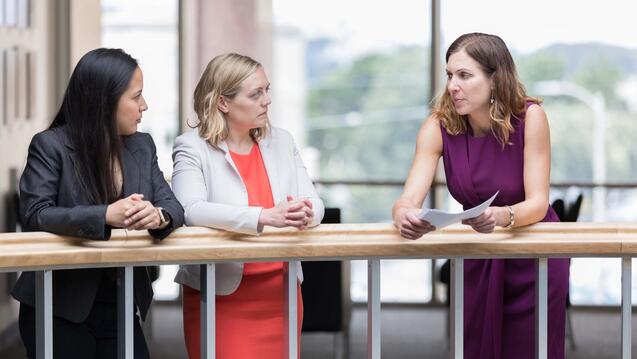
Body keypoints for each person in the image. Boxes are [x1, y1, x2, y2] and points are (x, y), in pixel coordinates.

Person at [392, 33, 569, 358]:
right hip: (478, 254)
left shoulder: (531, 118)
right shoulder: (438, 126)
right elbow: (408, 198)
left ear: (494, 78)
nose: (452, 86)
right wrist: (402, 213)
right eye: (449, 75)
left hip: (532, 257)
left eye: (464, 75)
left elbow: (538, 202)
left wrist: (501, 216)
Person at [13, 48, 185, 359]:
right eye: (136, 97)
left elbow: (173, 207)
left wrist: (156, 216)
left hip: (121, 304)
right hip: (59, 306)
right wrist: (106, 215)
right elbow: (35, 215)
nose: (144, 105)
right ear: (104, 100)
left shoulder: (142, 145)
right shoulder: (50, 145)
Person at [172, 53, 324, 359]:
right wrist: (264, 216)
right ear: (223, 103)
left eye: (267, 90)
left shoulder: (282, 140)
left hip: (281, 294)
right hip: (221, 296)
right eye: (256, 94)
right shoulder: (192, 147)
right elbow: (189, 209)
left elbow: (315, 202)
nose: (267, 101)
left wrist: (306, 213)